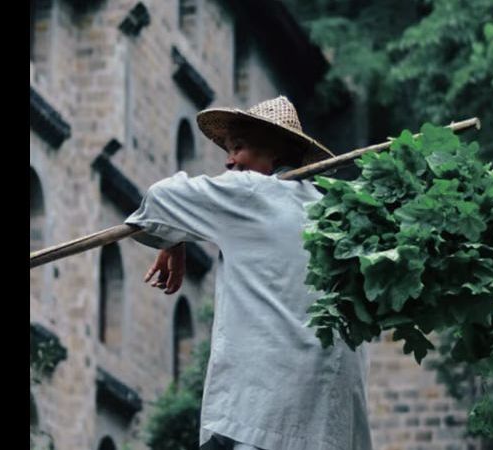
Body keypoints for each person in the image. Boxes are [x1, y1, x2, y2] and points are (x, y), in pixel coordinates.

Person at [125, 96, 373, 450]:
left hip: (261, 415)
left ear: (274, 151)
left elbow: (160, 199)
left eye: (237, 148)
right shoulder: (339, 213)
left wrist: (174, 236)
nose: (229, 161)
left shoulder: (250, 193)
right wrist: (178, 235)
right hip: (330, 424)